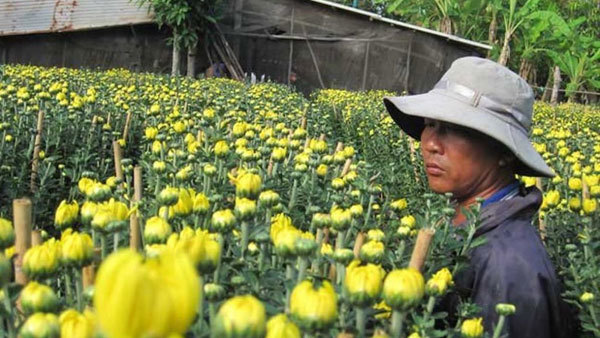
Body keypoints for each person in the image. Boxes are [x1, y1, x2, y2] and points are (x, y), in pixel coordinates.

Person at [382, 57, 573, 337]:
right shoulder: (462, 221)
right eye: (430, 123)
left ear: (505, 152)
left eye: (454, 128)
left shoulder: (510, 267)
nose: (430, 143)